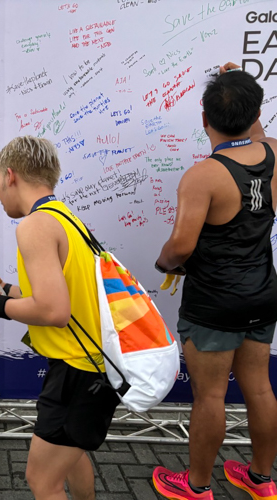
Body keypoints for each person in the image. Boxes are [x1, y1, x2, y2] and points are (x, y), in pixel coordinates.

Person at [0, 136, 119, 500]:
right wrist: (5, 291)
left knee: (41, 479)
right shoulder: (63, 216)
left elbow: (54, 311)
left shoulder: (34, 226)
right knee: (70, 455)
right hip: (94, 366)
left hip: (78, 371)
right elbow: (57, 292)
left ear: (9, 176)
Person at [152, 63, 277, 500]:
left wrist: (164, 264)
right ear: (255, 110)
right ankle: (261, 480)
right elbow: (254, 129)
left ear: (203, 118)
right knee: (259, 386)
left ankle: (198, 485)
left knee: (210, 397)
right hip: (263, 292)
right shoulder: (274, 153)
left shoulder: (203, 176)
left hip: (215, 303)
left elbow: (180, 248)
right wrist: (238, 84)